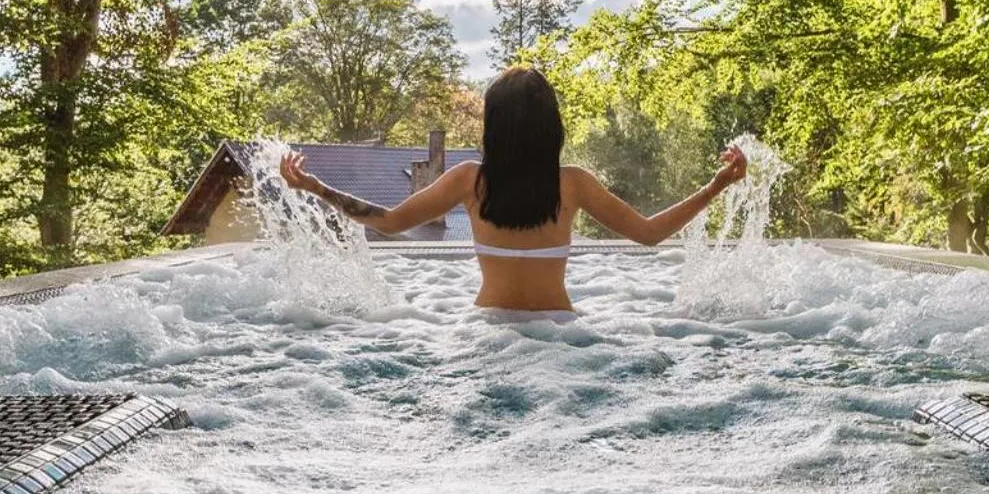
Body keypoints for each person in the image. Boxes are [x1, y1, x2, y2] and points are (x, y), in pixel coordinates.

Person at [278, 66, 748, 312]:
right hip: (563, 334)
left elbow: (391, 221)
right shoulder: (573, 184)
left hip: (486, 334)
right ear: (551, 127)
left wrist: (316, 185)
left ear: (494, 127)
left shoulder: (470, 181)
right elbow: (648, 234)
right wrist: (716, 185)